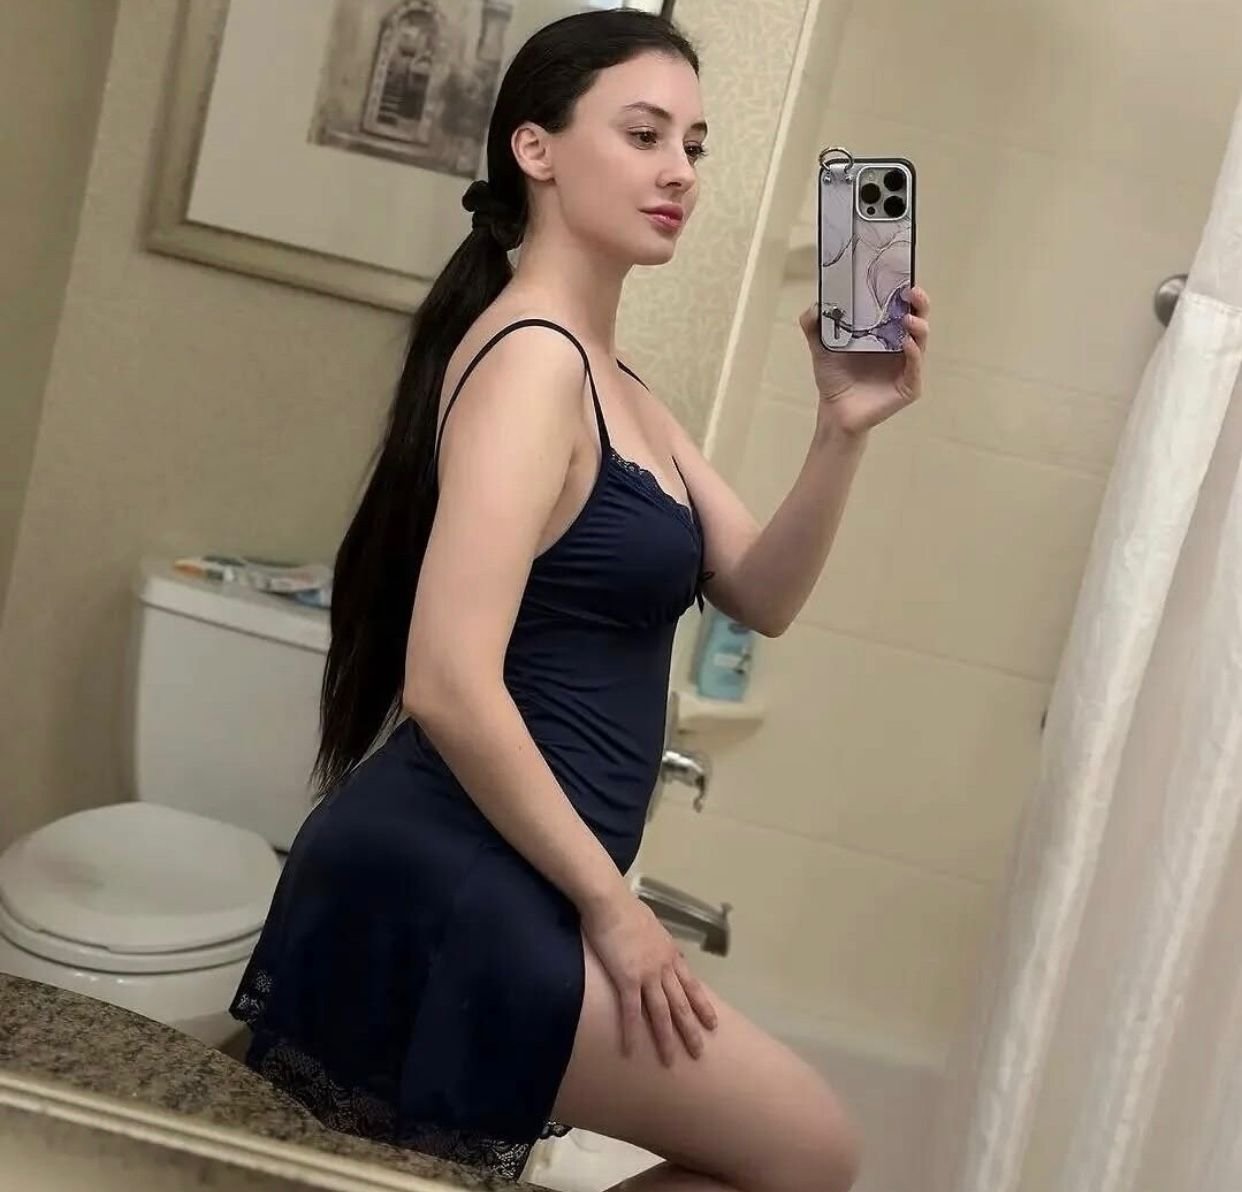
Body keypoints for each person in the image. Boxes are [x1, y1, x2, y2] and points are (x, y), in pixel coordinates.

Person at [230, 9, 930, 1191]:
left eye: (694, 146)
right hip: (461, 871)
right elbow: (446, 678)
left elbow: (763, 594)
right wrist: (615, 909)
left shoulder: (618, 385)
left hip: (518, 873)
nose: (680, 172)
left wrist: (842, 425)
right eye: (645, 135)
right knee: (808, 1150)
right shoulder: (533, 361)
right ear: (535, 148)